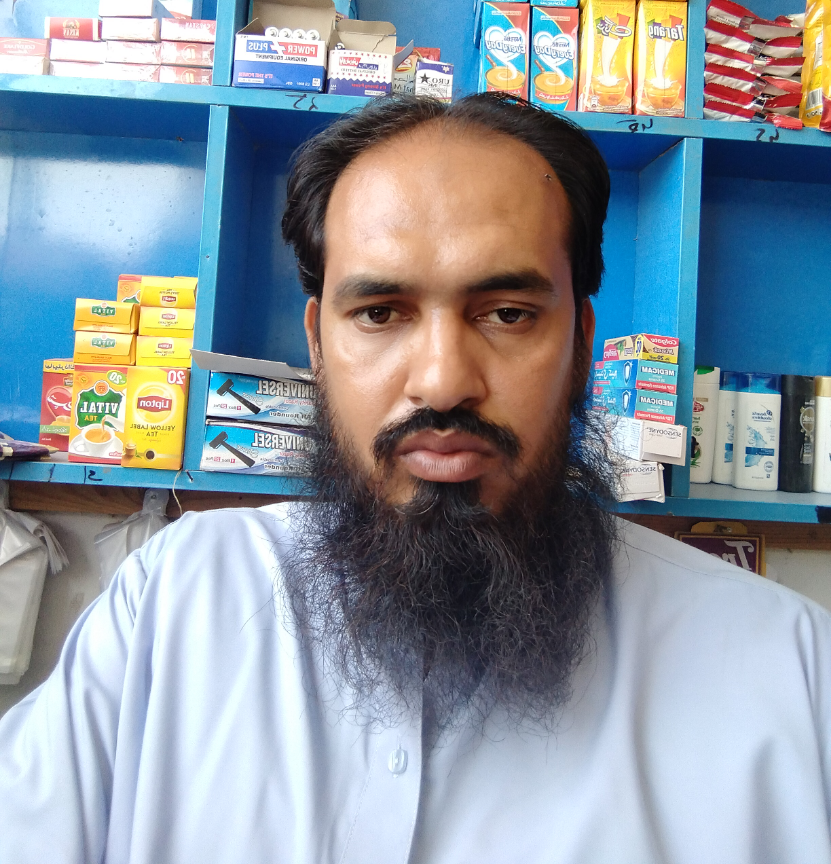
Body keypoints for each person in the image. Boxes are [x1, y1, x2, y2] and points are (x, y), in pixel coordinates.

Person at [1, 94, 830, 864]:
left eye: (507, 314)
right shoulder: (172, 601)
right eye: (379, 313)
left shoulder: (786, 672)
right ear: (317, 346)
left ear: (580, 343)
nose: (441, 383)